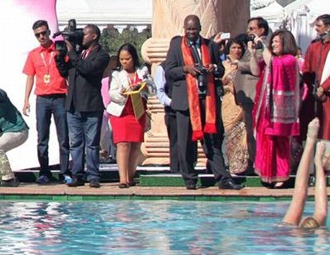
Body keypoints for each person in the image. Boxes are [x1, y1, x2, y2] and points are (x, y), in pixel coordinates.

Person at [164, 14, 240, 190]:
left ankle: (222, 178)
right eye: (188, 29)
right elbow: (169, 71)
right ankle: (190, 178)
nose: (191, 32)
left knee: (212, 142)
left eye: (194, 29)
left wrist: (214, 68)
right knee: (185, 143)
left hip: (207, 101)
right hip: (185, 103)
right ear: (184, 29)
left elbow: (221, 70)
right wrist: (186, 69)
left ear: (200, 28)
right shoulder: (176, 45)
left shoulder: (210, 45)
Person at [54, 22, 109, 188]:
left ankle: (93, 175)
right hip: (73, 105)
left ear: (94, 36)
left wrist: (71, 53)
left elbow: (87, 69)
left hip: (91, 106)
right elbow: (66, 72)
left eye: (84, 34)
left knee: (92, 144)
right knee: (75, 143)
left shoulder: (102, 55)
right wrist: (59, 56)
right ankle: (77, 174)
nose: (81, 37)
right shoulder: (79, 53)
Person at [251, 29, 303, 187]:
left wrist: (263, 45)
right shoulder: (272, 60)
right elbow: (255, 70)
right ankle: (267, 174)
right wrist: (252, 53)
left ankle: (281, 176)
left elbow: (273, 64)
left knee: (280, 143)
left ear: (285, 43)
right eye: (272, 41)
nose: (273, 44)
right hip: (265, 109)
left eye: (276, 42)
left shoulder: (289, 60)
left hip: (280, 110)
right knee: (264, 141)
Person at [22, 19, 70, 184]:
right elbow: (30, 76)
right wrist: (26, 99)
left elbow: (69, 71)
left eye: (43, 33)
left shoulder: (59, 49)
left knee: (63, 136)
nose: (41, 37)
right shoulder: (33, 54)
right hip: (42, 98)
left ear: (49, 32)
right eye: (37, 35)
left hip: (60, 97)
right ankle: (44, 171)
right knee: (42, 137)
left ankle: (65, 171)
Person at [107, 43, 155, 188]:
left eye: (127, 59)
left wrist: (143, 86)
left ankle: (130, 175)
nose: (124, 62)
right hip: (121, 113)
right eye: (122, 59)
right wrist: (122, 93)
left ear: (133, 58)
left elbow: (153, 89)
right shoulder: (116, 74)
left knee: (135, 145)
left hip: (137, 112)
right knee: (122, 144)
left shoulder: (143, 71)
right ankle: (122, 178)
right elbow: (112, 93)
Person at [282, 118, 328, 228]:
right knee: (298, 202)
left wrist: (318, 163)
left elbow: (322, 212)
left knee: (298, 202)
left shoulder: (289, 230)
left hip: (293, 234)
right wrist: (318, 161)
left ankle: (310, 142)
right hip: (303, 233)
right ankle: (310, 142)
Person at [219, 37, 253, 176]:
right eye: (233, 47)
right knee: (229, 132)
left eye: (239, 48)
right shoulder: (223, 65)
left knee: (243, 134)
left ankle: (241, 166)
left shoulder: (245, 65)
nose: (237, 50)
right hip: (228, 104)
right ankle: (229, 164)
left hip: (243, 102)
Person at [302, 15, 330, 148]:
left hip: (327, 94)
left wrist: (323, 88)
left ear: (328, 28)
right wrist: (311, 87)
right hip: (313, 95)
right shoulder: (314, 46)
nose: (316, 29)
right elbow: (306, 68)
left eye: (319, 26)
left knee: (327, 128)